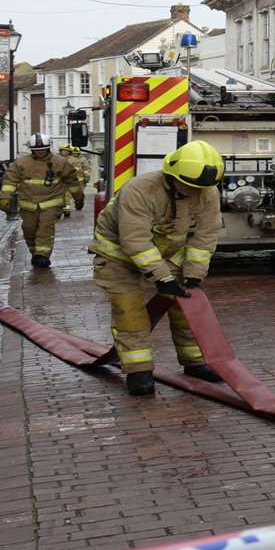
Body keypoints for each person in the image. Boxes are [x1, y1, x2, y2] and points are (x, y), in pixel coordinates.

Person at [88, 140, 225, 397]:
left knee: (185, 305)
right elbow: (135, 240)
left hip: (166, 254)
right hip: (118, 256)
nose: (195, 192)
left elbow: (204, 237)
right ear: (172, 175)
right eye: (189, 186)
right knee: (130, 311)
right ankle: (138, 370)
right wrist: (162, 278)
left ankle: (194, 362)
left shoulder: (207, 192)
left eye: (201, 188)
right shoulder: (140, 190)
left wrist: (193, 276)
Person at [0, 134, 81, 267]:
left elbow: (72, 181)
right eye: (37, 150)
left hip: (51, 203)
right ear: (31, 149)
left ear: (48, 148)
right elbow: (10, 181)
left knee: (45, 228)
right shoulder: (21, 163)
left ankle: (43, 256)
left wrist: (79, 198)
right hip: (28, 205)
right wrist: (5, 198)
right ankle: (35, 253)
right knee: (28, 229)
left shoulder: (60, 162)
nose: (40, 152)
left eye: (43, 149)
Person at [58, 144, 94, 218]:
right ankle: (64, 208)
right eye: (63, 150)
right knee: (63, 194)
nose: (64, 152)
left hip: (75, 180)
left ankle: (77, 204)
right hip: (60, 180)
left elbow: (80, 168)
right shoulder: (57, 158)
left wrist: (85, 174)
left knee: (77, 194)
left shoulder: (75, 160)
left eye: (66, 151)